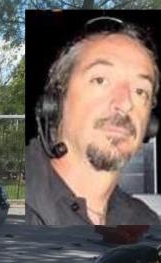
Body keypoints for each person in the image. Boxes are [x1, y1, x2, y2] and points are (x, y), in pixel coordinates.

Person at [27, 16, 161, 225]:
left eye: (140, 90)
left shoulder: (147, 223)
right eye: (100, 80)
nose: (125, 104)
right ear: (55, 101)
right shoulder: (24, 205)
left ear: (150, 125)